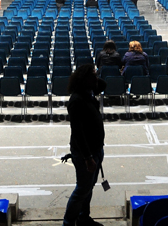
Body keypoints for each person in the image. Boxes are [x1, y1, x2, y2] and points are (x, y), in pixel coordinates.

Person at [62, 64, 107, 226]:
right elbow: (78, 133)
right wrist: (88, 158)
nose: (96, 78)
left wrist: (93, 78)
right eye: (93, 75)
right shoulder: (77, 101)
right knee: (82, 190)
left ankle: (83, 218)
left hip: (96, 149)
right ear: (84, 79)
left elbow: (103, 85)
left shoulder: (88, 93)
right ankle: (68, 222)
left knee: (88, 188)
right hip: (85, 154)